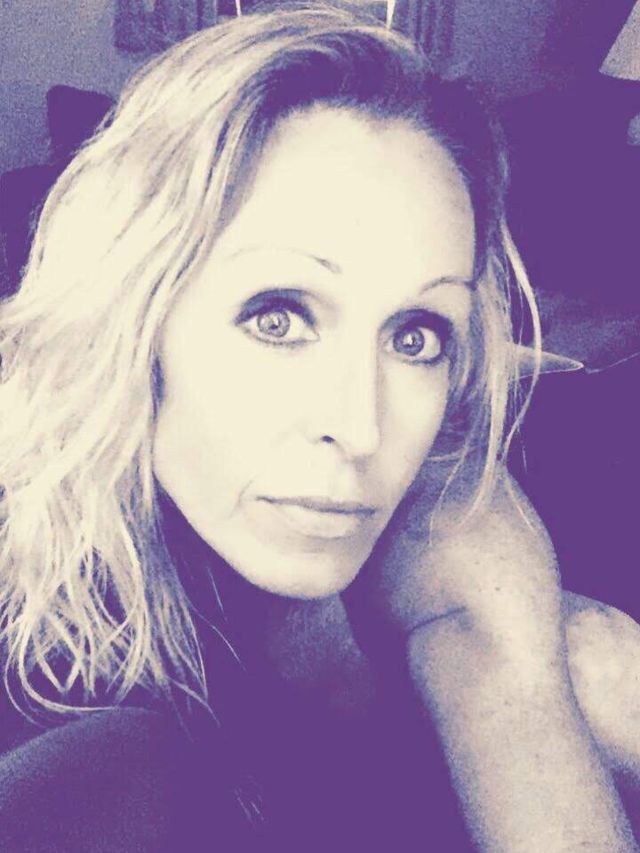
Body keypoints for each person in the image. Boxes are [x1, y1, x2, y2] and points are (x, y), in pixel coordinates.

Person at [0, 4, 637, 851]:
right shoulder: (80, 723)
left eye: (415, 336)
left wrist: (503, 656)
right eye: (278, 317)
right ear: (128, 314)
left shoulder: (449, 522)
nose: (360, 427)